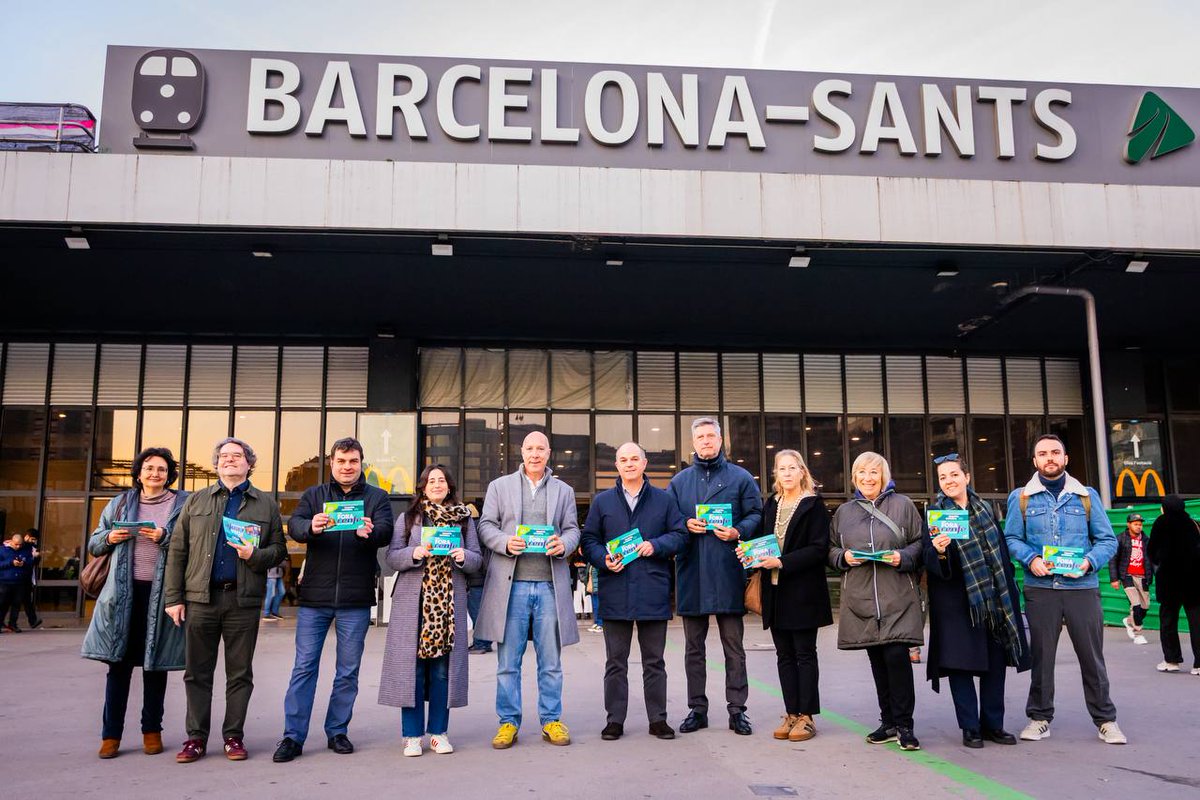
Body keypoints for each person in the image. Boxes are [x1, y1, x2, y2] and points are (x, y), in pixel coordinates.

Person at [164, 437, 287, 763]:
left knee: (239, 673)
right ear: (217, 463)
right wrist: (173, 597)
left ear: (249, 463)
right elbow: (177, 551)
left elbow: (279, 551)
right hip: (200, 599)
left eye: (237, 456)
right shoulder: (196, 501)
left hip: (241, 601)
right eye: (224, 456)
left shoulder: (265, 503)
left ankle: (233, 736)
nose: (230, 460)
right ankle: (195, 738)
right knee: (196, 673)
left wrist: (254, 555)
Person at [272, 437, 395, 762]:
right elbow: (295, 527)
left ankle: (337, 731)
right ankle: (292, 737)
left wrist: (372, 532)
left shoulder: (376, 497)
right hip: (315, 596)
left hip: (356, 597)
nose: (347, 467)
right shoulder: (314, 496)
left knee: (348, 670)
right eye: (341, 461)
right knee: (304, 667)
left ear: (361, 463)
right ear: (332, 463)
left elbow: (387, 530)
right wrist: (310, 526)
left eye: (353, 461)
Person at [1004, 434, 1125, 745]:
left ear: (1066, 458)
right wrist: (1030, 559)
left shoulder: (1086, 496)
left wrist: (1088, 563)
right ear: (1034, 461)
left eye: (1055, 452)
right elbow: (1011, 538)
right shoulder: (1022, 498)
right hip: (1040, 589)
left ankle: (1106, 720)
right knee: (1041, 658)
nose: (1050, 458)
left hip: (1082, 588)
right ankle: (1039, 717)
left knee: (1092, 657)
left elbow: (1108, 540)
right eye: (1042, 454)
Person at [475, 431, 581, 749]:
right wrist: (505, 542)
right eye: (529, 448)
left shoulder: (564, 491)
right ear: (521, 452)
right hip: (512, 587)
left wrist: (564, 544)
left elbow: (574, 529)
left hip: (550, 586)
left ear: (549, 453)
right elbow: (485, 526)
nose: (535, 454)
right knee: (508, 662)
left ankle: (551, 720)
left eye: (541, 449)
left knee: (551, 661)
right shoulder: (500, 487)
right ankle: (508, 722)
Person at [81, 448, 190, 758]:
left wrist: (163, 536)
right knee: (119, 667)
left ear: (170, 474)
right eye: (149, 468)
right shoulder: (120, 503)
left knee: (156, 667)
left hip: (161, 595)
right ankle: (110, 735)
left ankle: (151, 731)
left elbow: (191, 541)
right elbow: (94, 541)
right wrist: (109, 538)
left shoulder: (181, 504)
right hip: (122, 595)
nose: (155, 473)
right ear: (139, 472)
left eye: (162, 469)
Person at [581, 442, 688, 741]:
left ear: (644, 463)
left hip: (652, 589)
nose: (629, 464)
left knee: (654, 662)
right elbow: (589, 540)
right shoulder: (602, 502)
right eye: (623, 459)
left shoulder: (663, 500)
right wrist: (602, 558)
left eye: (634, 459)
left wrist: (656, 545)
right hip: (615, 590)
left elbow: (680, 536)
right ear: (616, 465)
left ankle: (658, 719)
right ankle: (614, 719)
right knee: (615, 661)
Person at [924, 454, 1029, 749]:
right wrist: (940, 551)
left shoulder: (986, 509)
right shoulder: (935, 515)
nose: (949, 481)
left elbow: (1001, 555)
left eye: (954, 474)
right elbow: (929, 561)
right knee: (960, 666)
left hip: (993, 601)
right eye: (943, 477)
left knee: (994, 665)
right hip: (956, 604)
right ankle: (970, 727)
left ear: (967, 477)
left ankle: (993, 725)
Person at [668, 417, 763, 736]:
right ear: (692, 443)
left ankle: (737, 710)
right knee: (693, 648)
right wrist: (685, 524)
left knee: (733, 646)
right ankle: (697, 709)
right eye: (700, 437)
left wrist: (739, 530)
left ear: (721, 441)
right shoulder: (679, 482)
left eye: (711, 436)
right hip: (691, 571)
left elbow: (756, 515)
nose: (706, 441)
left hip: (727, 570)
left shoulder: (741, 478)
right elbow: (669, 520)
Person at [378, 465, 482, 756]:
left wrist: (464, 556)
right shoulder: (409, 518)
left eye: (442, 480)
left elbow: (477, 559)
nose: (437, 485)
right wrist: (414, 552)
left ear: (449, 486)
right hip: (414, 606)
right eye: (431, 481)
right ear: (423, 487)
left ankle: (438, 732)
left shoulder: (464, 520)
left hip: (448, 607)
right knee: (412, 670)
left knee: (441, 672)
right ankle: (411, 735)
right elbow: (392, 556)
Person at [828, 451, 925, 751]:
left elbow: (921, 543)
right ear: (854, 477)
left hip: (897, 596)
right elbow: (830, 549)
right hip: (861, 599)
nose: (868, 478)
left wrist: (904, 557)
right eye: (862, 473)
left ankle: (905, 725)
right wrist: (843, 557)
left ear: (883, 475)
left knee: (896, 657)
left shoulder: (904, 505)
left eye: (874, 472)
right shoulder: (844, 513)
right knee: (877, 661)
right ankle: (888, 722)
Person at [747, 449, 832, 743]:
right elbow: (761, 541)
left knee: (804, 654)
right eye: (781, 468)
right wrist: (748, 553)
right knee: (784, 656)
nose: (786, 473)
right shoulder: (772, 504)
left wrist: (782, 562)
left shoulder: (813, 506)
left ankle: (807, 716)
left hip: (803, 593)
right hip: (775, 592)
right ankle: (792, 712)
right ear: (776, 475)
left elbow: (819, 549)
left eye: (792, 468)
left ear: (802, 472)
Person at [1146, 494, 1200, 675]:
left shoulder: (1161, 523)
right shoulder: (1193, 523)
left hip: (1169, 582)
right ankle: (1198, 664)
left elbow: (1151, 550)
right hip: (1193, 581)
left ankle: (1172, 660)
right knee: (1196, 622)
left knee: (1168, 621)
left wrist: (1159, 565)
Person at [1108, 513, 1153, 646]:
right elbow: (1113, 559)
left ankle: (1129, 621)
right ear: (1128, 525)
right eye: (1135, 524)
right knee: (1136, 605)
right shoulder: (1121, 539)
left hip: (1143, 576)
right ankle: (1138, 633)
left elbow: (1151, 559)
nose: (1138, 527)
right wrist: (1114, 579)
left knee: (1145, 606)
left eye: (1140, 524)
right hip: (1127, 576)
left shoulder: (1146, 539)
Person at [466, 509, 493, 654]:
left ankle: (481, 643)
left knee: (476, 612)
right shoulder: (483, 530)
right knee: (483, 612)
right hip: (483, 576)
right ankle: (483, 642)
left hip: (476, 577)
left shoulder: (473, 529)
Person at [7, 529, 42, 630]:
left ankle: (30, 621)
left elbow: (33, 563)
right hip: (14, 578)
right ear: (26, 536)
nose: (33, 541)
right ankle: (29, 621)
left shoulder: (33, 548)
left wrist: (36, 557)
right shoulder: (15, 545)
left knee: (23, 601)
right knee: (10, 602)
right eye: (32, 539)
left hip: (25, 578)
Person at [0, 530, 31, 632]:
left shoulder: (25, 550)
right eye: (16, 544)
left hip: (19, 582)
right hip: (5, 582)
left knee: (16, 604)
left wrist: (24, 564)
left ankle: (13, 624)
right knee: (2, 604)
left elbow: (30, 562)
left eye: (20, 544)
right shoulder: (3, 550)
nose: (18, 546)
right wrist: (11, 563)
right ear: (11, 542)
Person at [587, 564, 603, 633]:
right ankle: (596, 623)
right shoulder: (591, 565)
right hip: (593, 589)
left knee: (598, 606)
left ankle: (600, 624)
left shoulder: (598, 565)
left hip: (598, 589)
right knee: (595, 607)